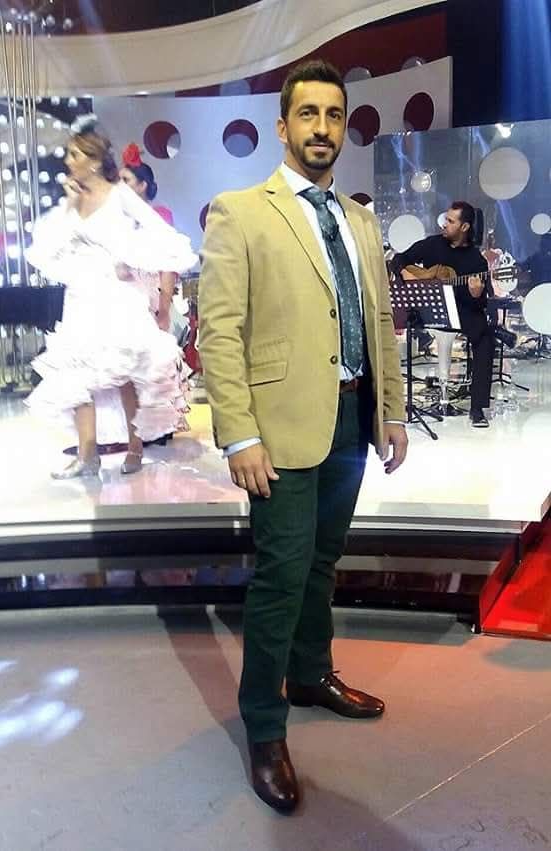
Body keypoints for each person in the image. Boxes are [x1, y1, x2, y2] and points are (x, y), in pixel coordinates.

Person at [199, 59, 407, 813]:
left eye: (334, 115)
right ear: (283, 126)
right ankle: (264, 727)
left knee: (322, 560)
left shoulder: (360, 219)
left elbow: (379, 320)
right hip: (279, 428)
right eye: (309, 114)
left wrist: (391, 411)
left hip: (351, 417)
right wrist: (237, 435)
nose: (323, 128)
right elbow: (219, 332)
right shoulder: (240, 212)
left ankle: (311, 673)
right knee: (282, 575)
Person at [25, 117, 197, 478]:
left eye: (75, 155)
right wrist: (70, 206)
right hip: (80, 298)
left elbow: (159, 231)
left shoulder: (119, 195)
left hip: (116, 297)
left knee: (125, 374)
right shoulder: (72, 200)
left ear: (93, 160)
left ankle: (135, 448)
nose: (68, 161)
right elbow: (47, 249)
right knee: (77, 374)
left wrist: (131, 257)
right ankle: (88, 455)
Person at [392, 202, 495, 428]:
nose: (444, 224)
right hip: (430, 308)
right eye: (445, 219)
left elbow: (480, 303)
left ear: (464, 227)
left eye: (450, 221)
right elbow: (398, 259)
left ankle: (477, 408)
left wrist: (476, 294)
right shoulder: (433, 244)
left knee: (485, 338)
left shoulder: (476, 260)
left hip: (461, 312)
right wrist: (407, 274)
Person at [119, 143, 193, 437]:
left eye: (126, 180)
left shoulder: (158, 217)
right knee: (127, 364)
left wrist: (163, 307)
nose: (120, 187)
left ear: (142, 185)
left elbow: (168, 266)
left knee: (154, 363)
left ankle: (159, 425)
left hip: (151, 298)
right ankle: (130, 429)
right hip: (124, 301)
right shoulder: (119, 222)